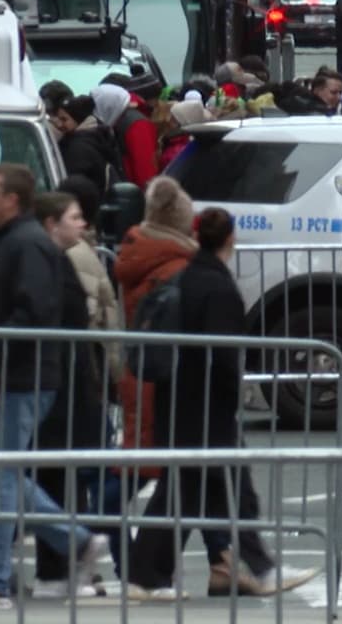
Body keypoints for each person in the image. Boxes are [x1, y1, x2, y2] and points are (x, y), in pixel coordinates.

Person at [0, 164, 110, 608]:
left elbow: (33, 312)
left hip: (19, 378)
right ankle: (63, 544)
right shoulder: (8, 241)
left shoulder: (26, 244)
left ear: (11, 199)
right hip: (7, 375)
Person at [126, 208, 315, 600]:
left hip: (179, 401)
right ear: (230, 238)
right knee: (229, 490)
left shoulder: (186, 277)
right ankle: (257, 568)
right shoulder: (219, 288)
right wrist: (234, 396)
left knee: (187, 490)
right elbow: (226, 355)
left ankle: (150, 574)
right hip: (209, 407)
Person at [30, 191, 121, 597]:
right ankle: (66, 558)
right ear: (52, 223)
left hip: (66, 384)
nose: (83, 224)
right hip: (60, 385)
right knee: (45, 477)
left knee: (52, 476)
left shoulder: (60, 258)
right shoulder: (53, 261)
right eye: (74, 217)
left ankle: (61, 569)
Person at [113, 176, 198, 488]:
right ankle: (95, 517)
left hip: (141, 366)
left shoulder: (139, 251)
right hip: (161, 372)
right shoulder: (175, 266)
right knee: (148, 462)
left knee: (144, 458)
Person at [92, 83, 159, 188]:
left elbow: (145, 168)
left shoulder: (136, 125)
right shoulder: (119, 121)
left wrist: (145, 192)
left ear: (107, 105)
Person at [54, 95, 123, 195]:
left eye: (64, 119)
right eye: (58, 119)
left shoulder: (78, 148)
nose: (59, 124)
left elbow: (73, 184)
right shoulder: (95, 136)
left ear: (79, 119)